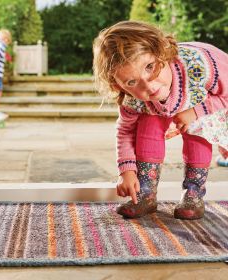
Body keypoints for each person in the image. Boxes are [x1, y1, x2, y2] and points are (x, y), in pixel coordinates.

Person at [93, 21, 228, 220]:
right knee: (147, 122)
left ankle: (193, 195)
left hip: (207, 96)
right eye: (132, 82)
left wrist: (197, 111)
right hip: (161, 108)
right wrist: (126, 170)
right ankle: (146, 194)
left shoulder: (204, 67)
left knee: (196, 130)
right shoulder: (133, 98)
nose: (148, 85)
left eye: (150, 66)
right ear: (118, 86)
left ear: (162, 52)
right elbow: (125, 131)